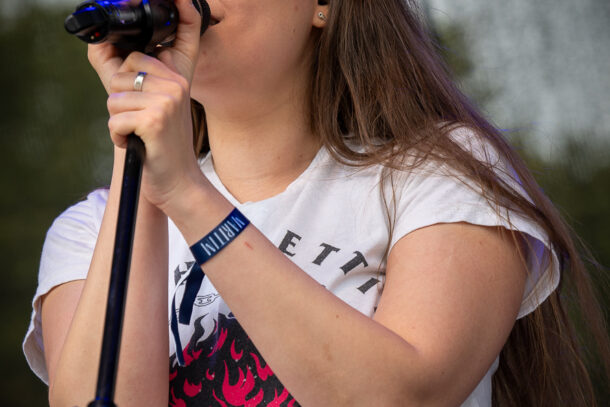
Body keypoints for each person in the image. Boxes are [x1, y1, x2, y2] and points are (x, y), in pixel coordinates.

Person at [23, 0, 609, 406]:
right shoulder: (92, 228)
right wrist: (140, 148)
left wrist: (188, 195)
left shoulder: (442, 175)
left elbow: (405, 396)